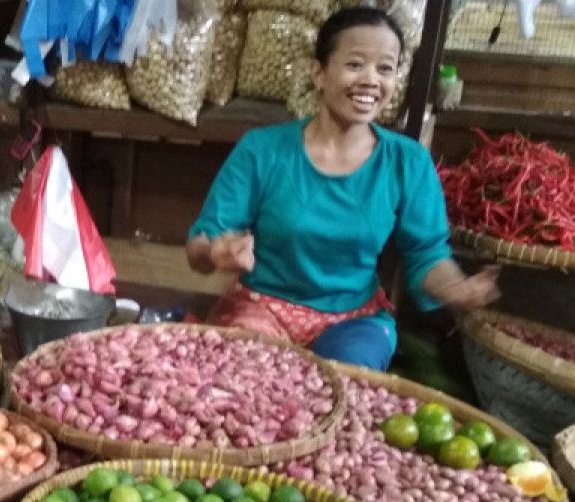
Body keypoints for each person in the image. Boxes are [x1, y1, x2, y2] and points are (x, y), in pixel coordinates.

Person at [186, 6, 500, 370]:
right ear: (319, 73)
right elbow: (199, 246)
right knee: (246, 384)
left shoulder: (407, 162)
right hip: (262, 308)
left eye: (385, 68)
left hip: (354, 319)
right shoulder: (263, 150)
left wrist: (457, 289)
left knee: (352, 386)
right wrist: (215, 252)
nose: (371, 80)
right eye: (355, 64)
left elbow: (426, 252)